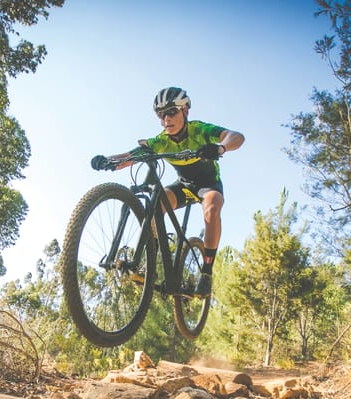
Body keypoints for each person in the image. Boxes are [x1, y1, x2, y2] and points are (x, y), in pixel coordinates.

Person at [90, 86, 245, 297]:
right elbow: (133, 155)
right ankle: (149, 263)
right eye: (160, 115)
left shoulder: (199, 130)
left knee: (212, 206)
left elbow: (236, 136)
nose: (166, 120)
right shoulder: (161, 140)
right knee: (155, 206)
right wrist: (109, 161)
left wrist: (220, 148)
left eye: (171, 112)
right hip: (183, 185)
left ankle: (206, 273)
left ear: (185, 111)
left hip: (208, 186)